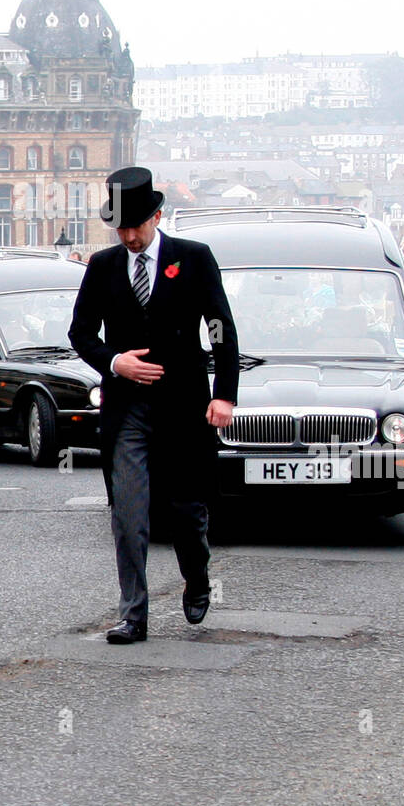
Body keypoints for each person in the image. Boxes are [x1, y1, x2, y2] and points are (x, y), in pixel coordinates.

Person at [69, 166, 239, 645]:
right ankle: (133, 614)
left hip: (184, 408)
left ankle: (197, 577)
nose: (128, 237)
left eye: (136, 227)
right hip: (128, 411)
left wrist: (225, 393)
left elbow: (221, 327)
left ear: (157, 217)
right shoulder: (103, 266)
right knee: (128, 513)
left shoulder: (193, 258)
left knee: (186, 511)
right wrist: (115, 361)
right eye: (120, 229)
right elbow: (80, 333)